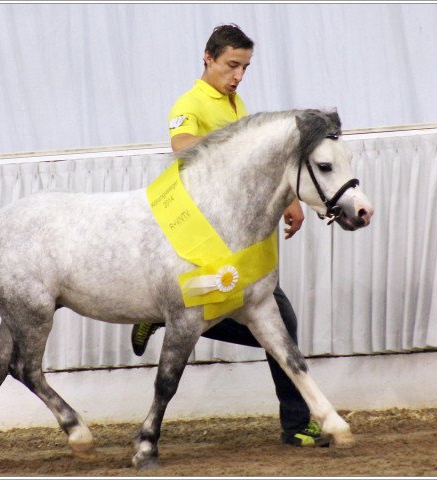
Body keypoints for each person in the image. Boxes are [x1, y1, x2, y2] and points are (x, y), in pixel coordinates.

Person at [131, 24, 329, 448]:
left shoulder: (238, 105)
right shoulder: (191, 102)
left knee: (280, 321)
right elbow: (182, 145)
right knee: (278, 322)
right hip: (201, 240)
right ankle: (296, 423)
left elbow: (258, 175)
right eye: (231, 65)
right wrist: (242, 148)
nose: (238, 75)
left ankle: (296, 421)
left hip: (240, 247)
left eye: (245, 67)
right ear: (208, 58)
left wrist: (290, 200)